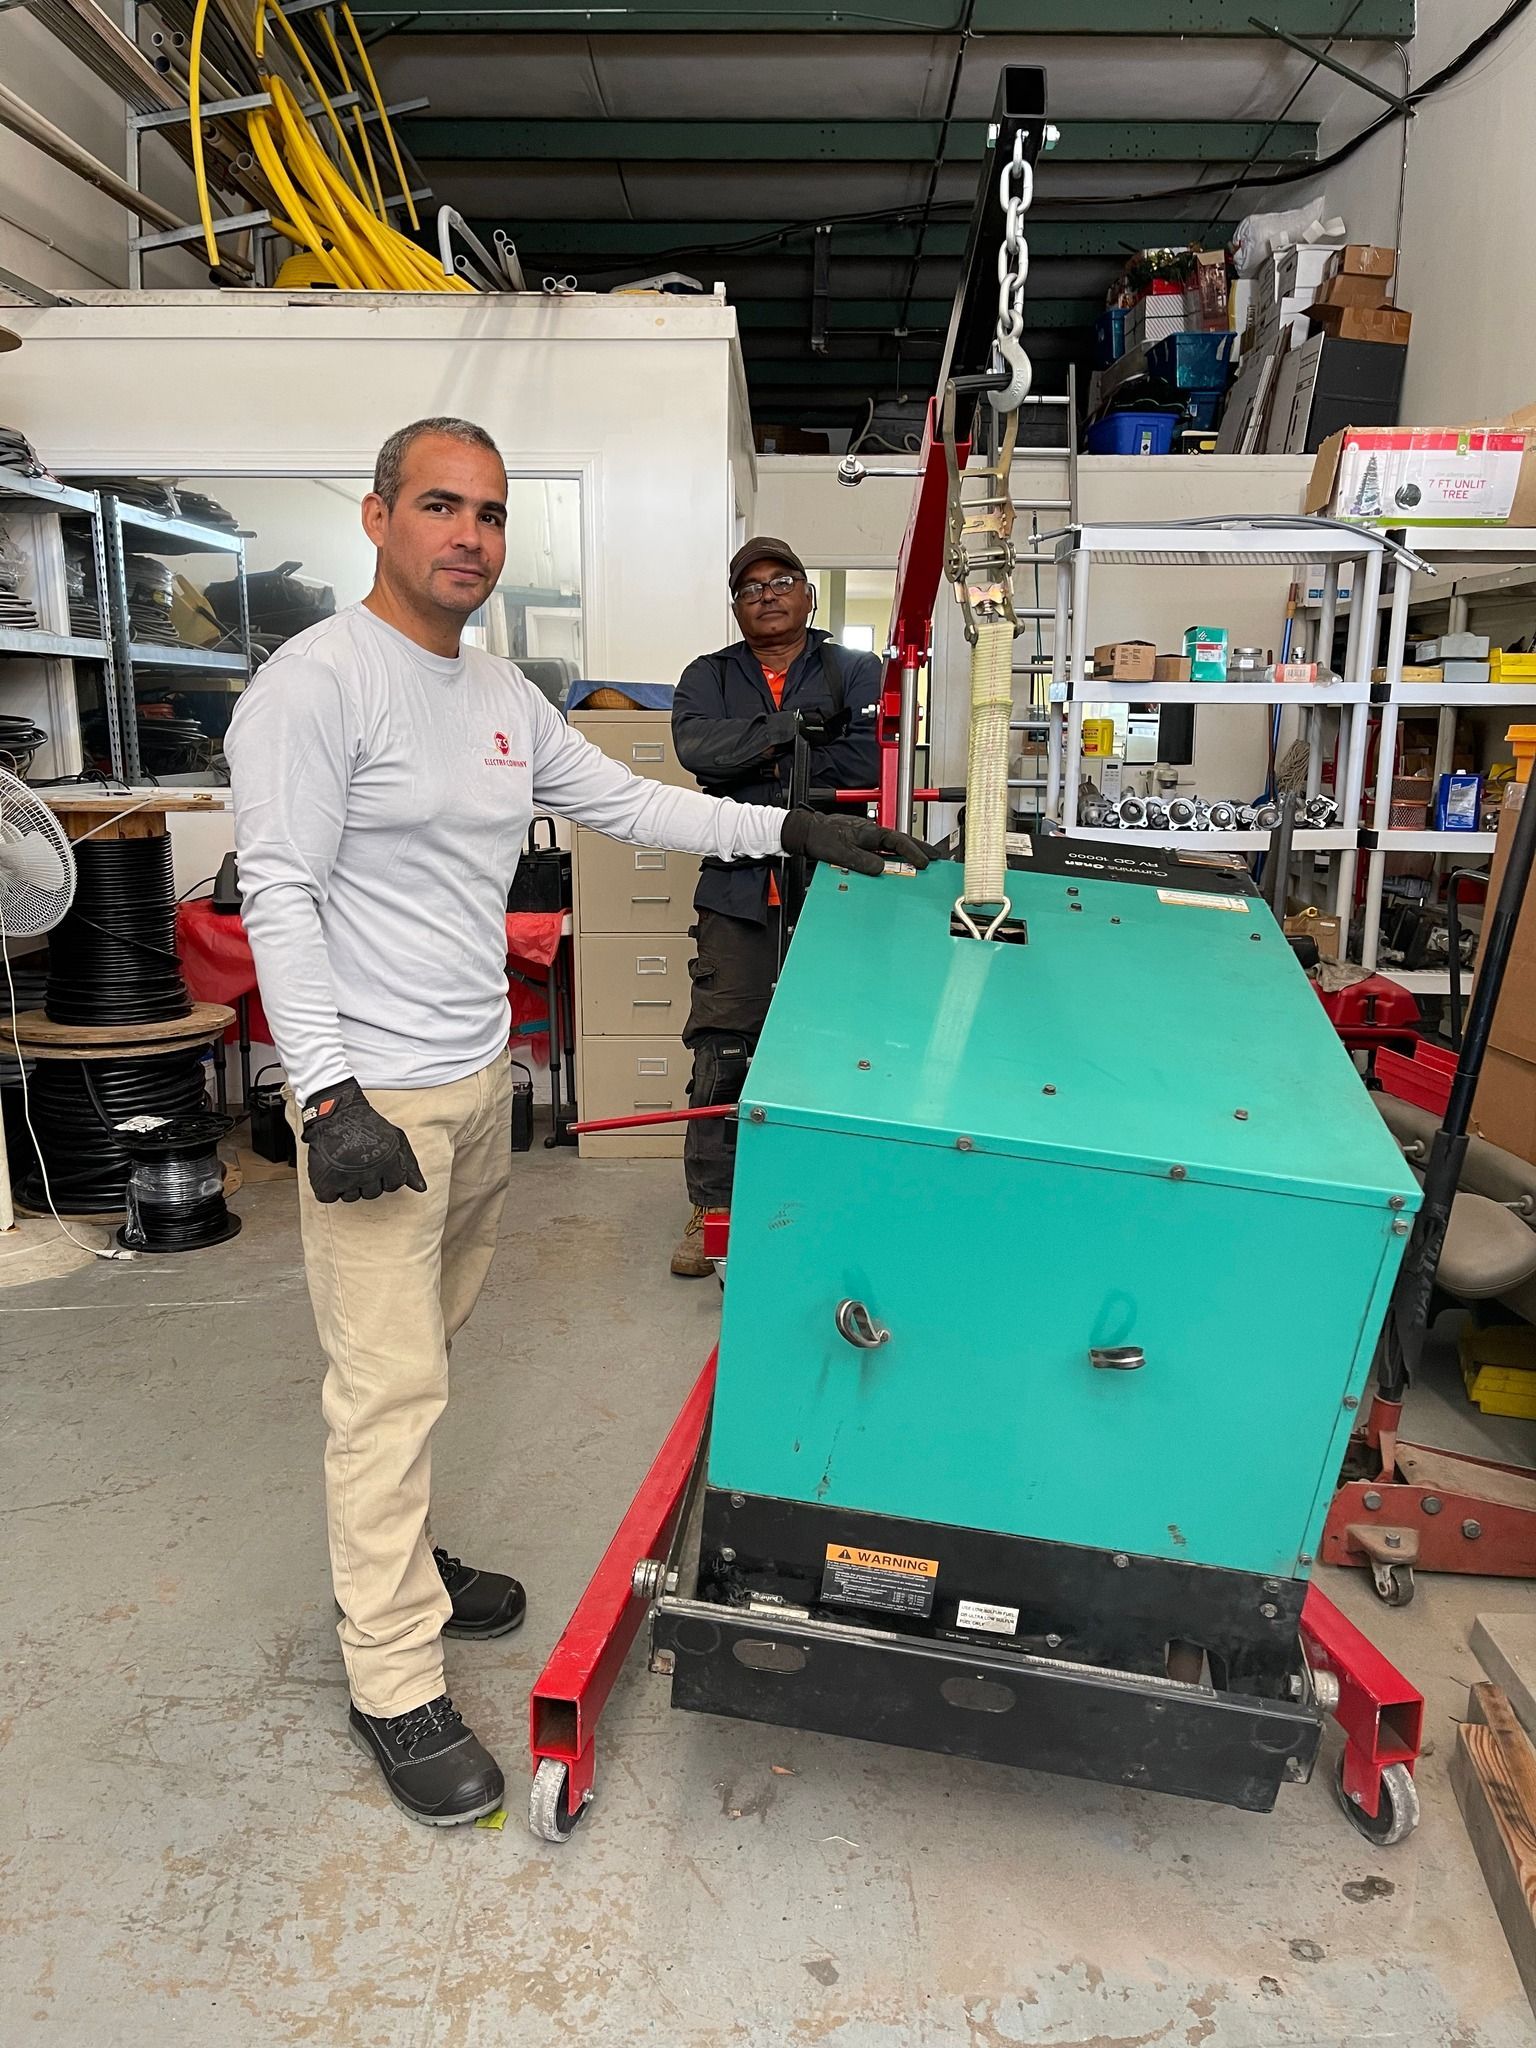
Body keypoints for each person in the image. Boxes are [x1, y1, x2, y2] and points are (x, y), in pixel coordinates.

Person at [225, 419, 926, 1829]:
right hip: (376, 1100)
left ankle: (404, 1567)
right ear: (377, 519)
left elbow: (623, 801)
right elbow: (279, 896)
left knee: (430, 1350)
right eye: (439, 506)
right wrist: (325, 1093)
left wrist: (784, 835)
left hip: (475, 1086)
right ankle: (391, 1675)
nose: (468, 536)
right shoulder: (313, 688)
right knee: (386, 1391)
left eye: (487, 513)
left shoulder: (496, 691)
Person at [668, 538, 882, 1277]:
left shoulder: (855, 669)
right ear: (735, 605)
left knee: (836, 1042)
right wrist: (796, 733)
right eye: (750, 586)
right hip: (737, 886)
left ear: (808, 595)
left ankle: (823, 1200)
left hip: (835, 888)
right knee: (723, 1045)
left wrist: (753, 753)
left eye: (782, 580)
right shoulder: (709, 675)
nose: (767, 594)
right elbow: (699, 752)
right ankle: (712, 1206)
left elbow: (864, 763)